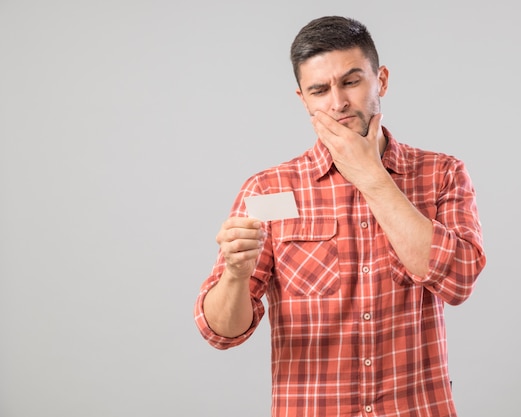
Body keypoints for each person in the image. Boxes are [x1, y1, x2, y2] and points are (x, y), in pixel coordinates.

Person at [194, 15, 486, 417]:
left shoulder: (441, 174)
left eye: (351, 81)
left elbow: (459, 279)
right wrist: (236, 274)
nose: (337, 102)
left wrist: (373, 177)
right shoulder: (267, 189)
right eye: (319, 90)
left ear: (380, 80)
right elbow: (220, 333)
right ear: (303, 99)